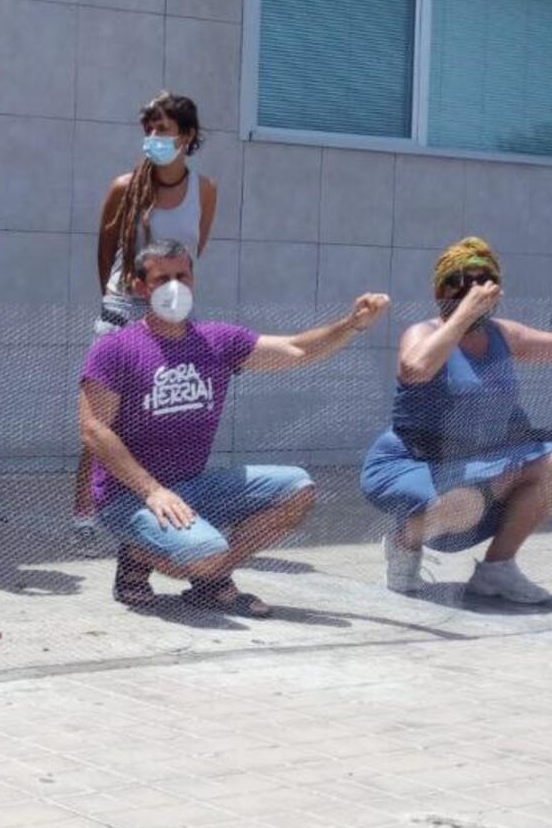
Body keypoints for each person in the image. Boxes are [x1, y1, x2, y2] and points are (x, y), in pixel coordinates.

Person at [79, 238, 388, 615]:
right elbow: (95, 429)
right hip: (129, 498)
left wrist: (351, 325)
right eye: (162, 278)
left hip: (195, 488)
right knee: (204, 553)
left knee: (297, 489)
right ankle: (145, 555)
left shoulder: (217, 341)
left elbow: (296, 349)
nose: (175, 286)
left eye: (182, 275)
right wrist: (153, 491)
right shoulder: (116, 349)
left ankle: (210, 577)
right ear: (141, 287)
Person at [363, 238, 552, 602]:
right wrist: (462, 316)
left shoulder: (502, 334)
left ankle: (497, 570)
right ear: (440, 290)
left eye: (482, 281)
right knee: (467, 503)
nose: (470, 290)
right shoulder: (423, 333)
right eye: (459, 281)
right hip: (417, 460)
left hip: (482, 459)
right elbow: (415, 369)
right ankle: (405, 540)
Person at [76, 91, 219, 535]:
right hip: (124, 308)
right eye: (149, 130)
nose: (154, 138)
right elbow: (105, 249)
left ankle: (154, 504)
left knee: (161, 411)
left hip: (173, 312)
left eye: (164, 130)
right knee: (103, 418)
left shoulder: (205, 190)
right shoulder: (125, 187)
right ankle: (84, 511)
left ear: (187, 136)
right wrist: (116, 297)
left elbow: (194, 249)